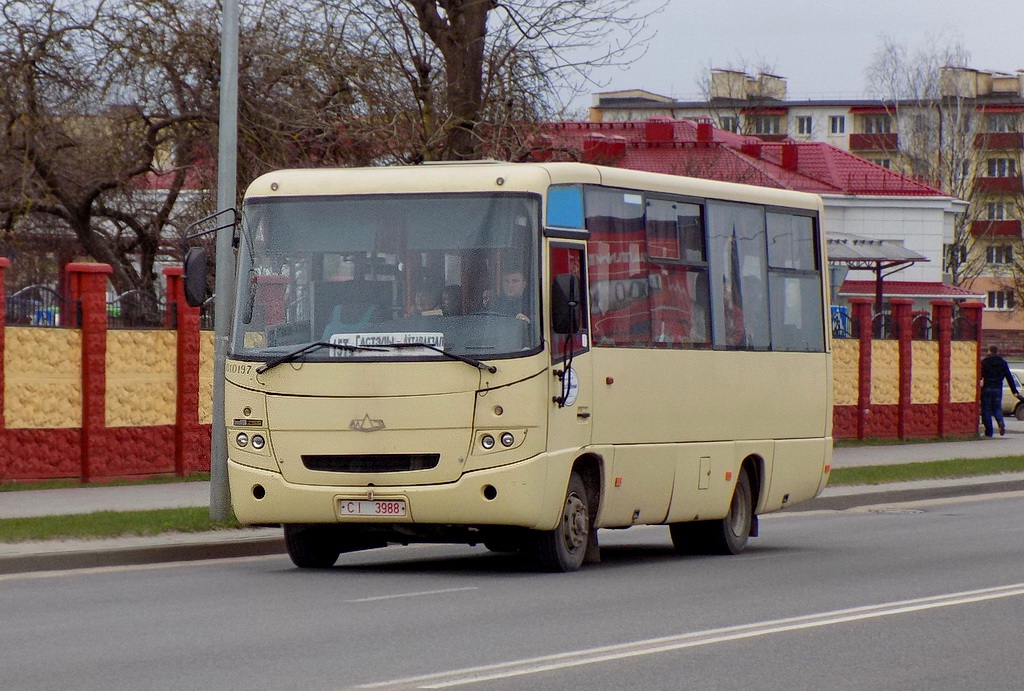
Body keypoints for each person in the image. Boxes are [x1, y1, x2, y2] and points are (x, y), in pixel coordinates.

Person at [980, 345, 1022, 437]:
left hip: (987, 388)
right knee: (997, 408)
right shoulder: (1003, 362)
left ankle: (989, 432)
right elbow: (1009, 377)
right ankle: (1000, 421)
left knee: (986, 410)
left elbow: (979, 376)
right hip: (998, 388)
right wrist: (1014, 391)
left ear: (989, 351)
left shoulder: (984, 362)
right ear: (997, 352)